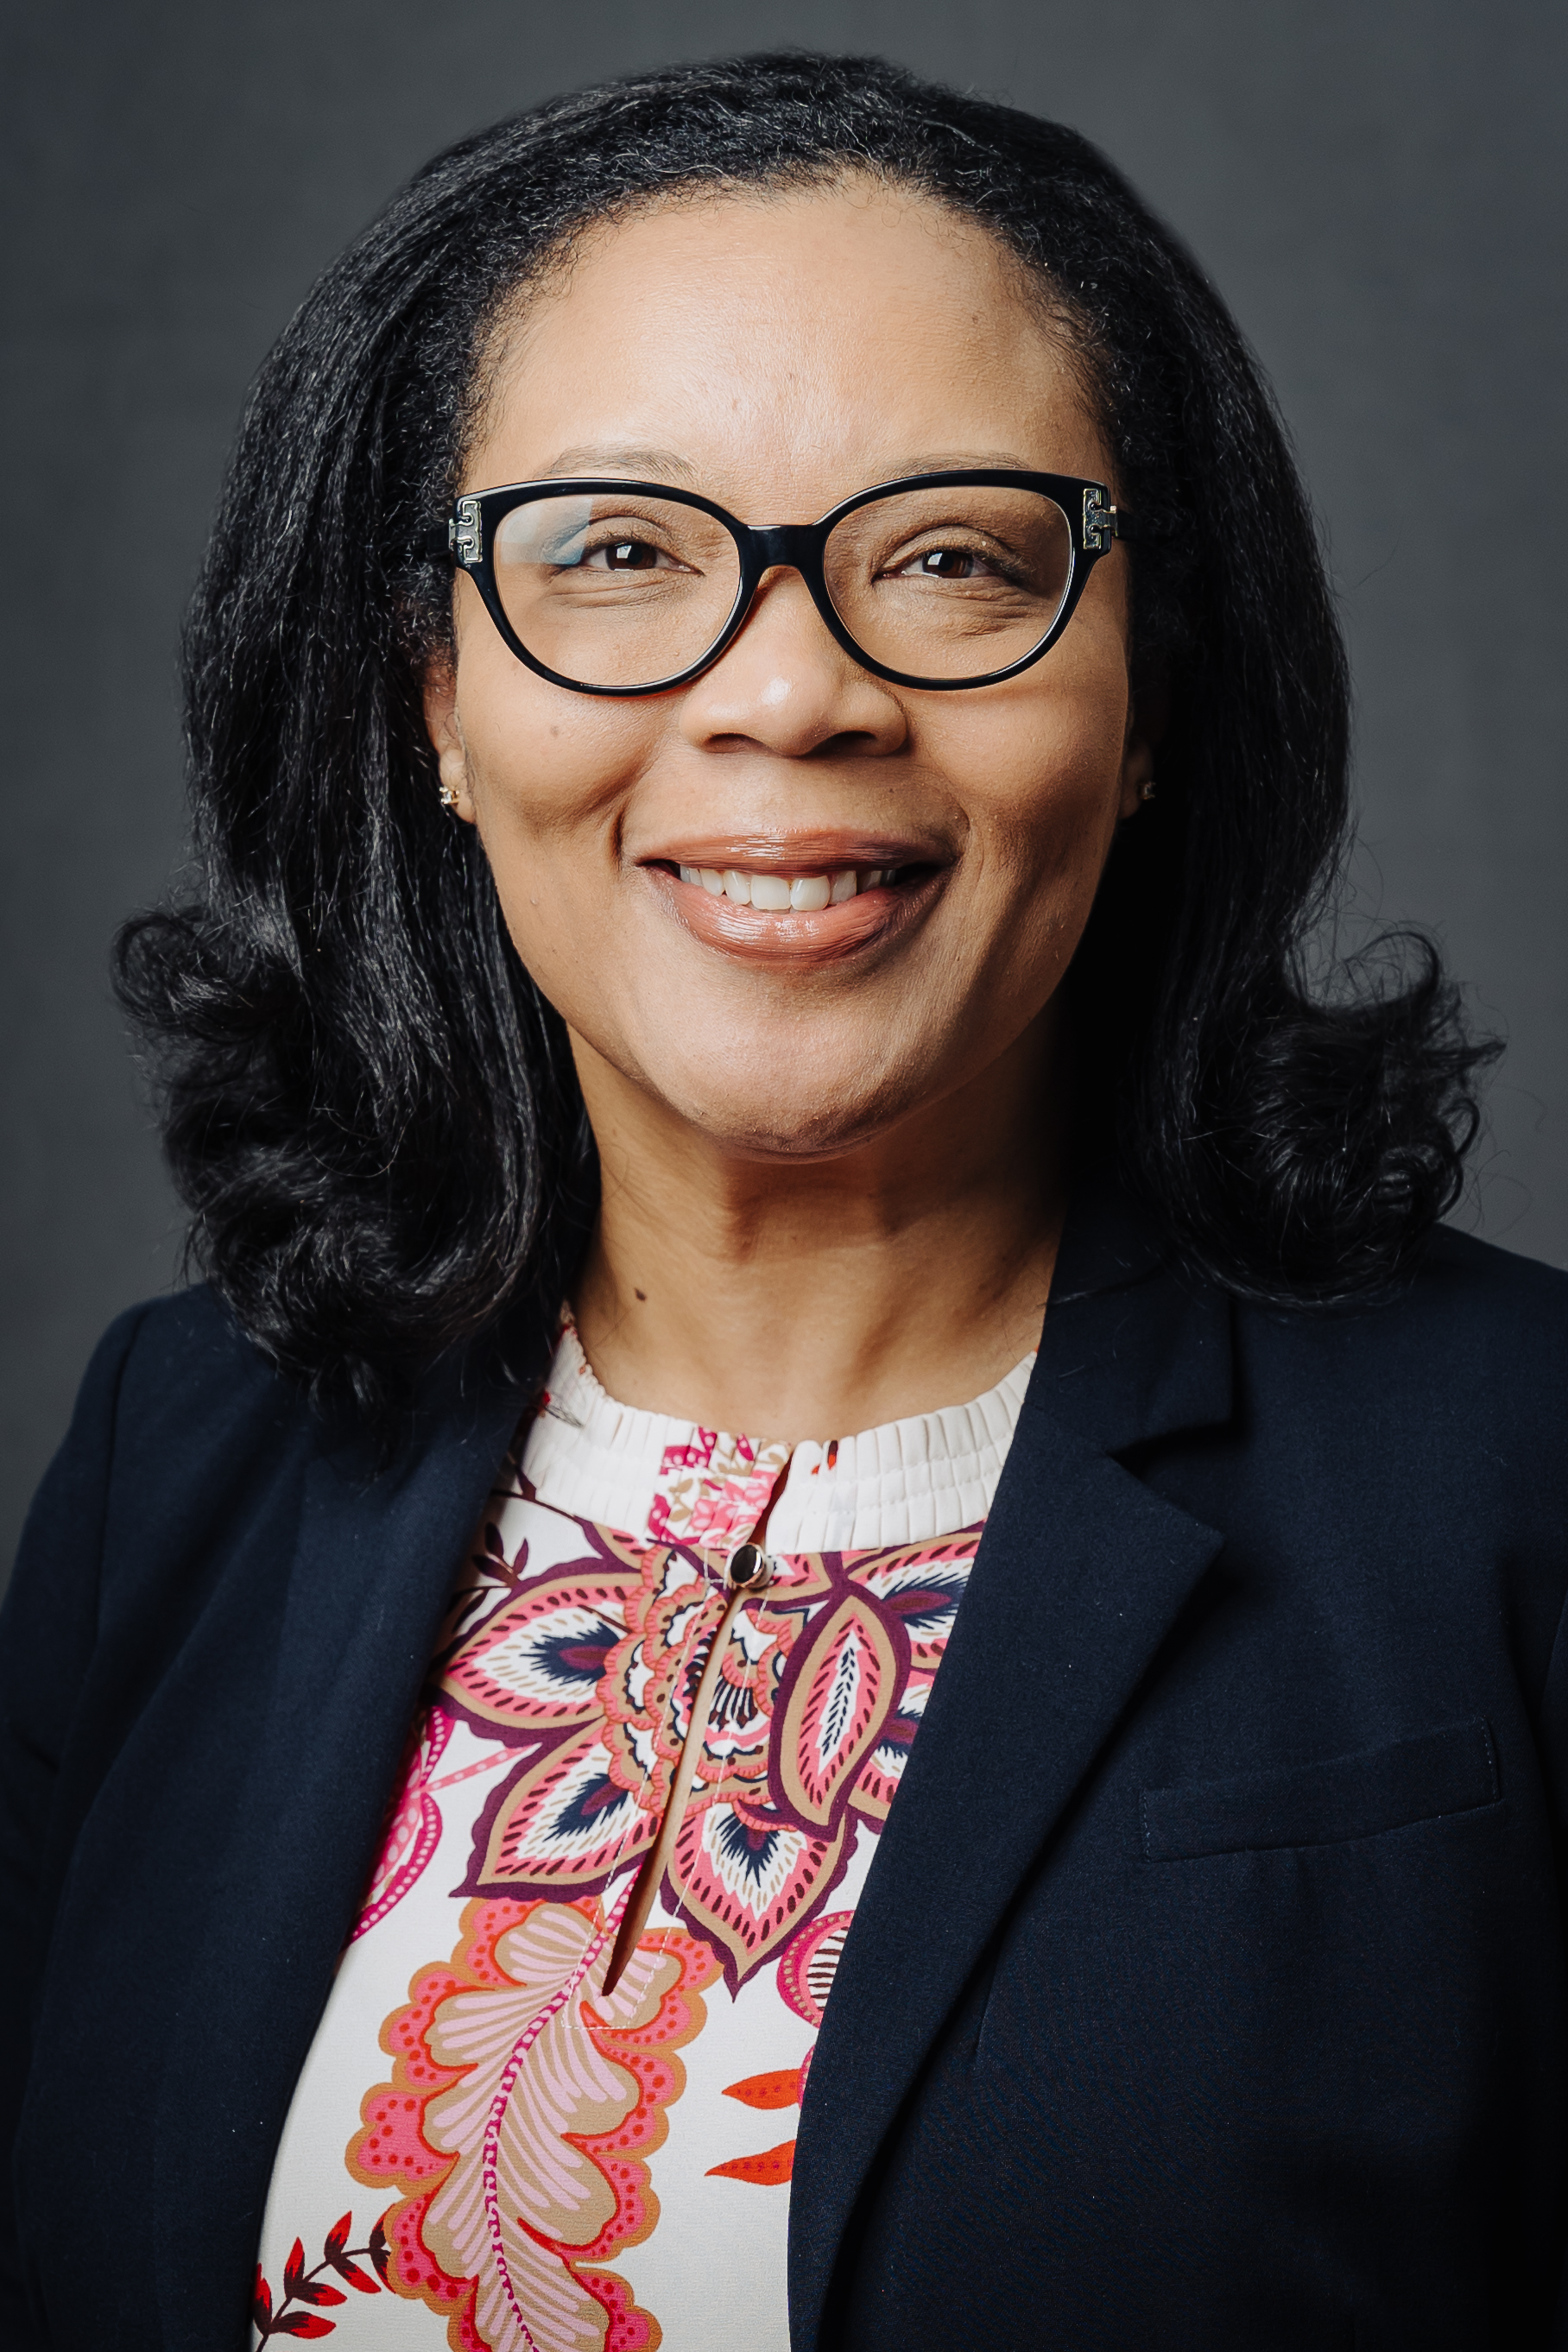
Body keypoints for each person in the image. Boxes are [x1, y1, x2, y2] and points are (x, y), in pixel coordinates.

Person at [2, 47, 1564, 2352]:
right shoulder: (181, 1456)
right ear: (434, 698)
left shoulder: (1521, 1470)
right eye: (619, 554)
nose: (790, 690)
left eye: (953, 558)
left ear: (1147, 705)